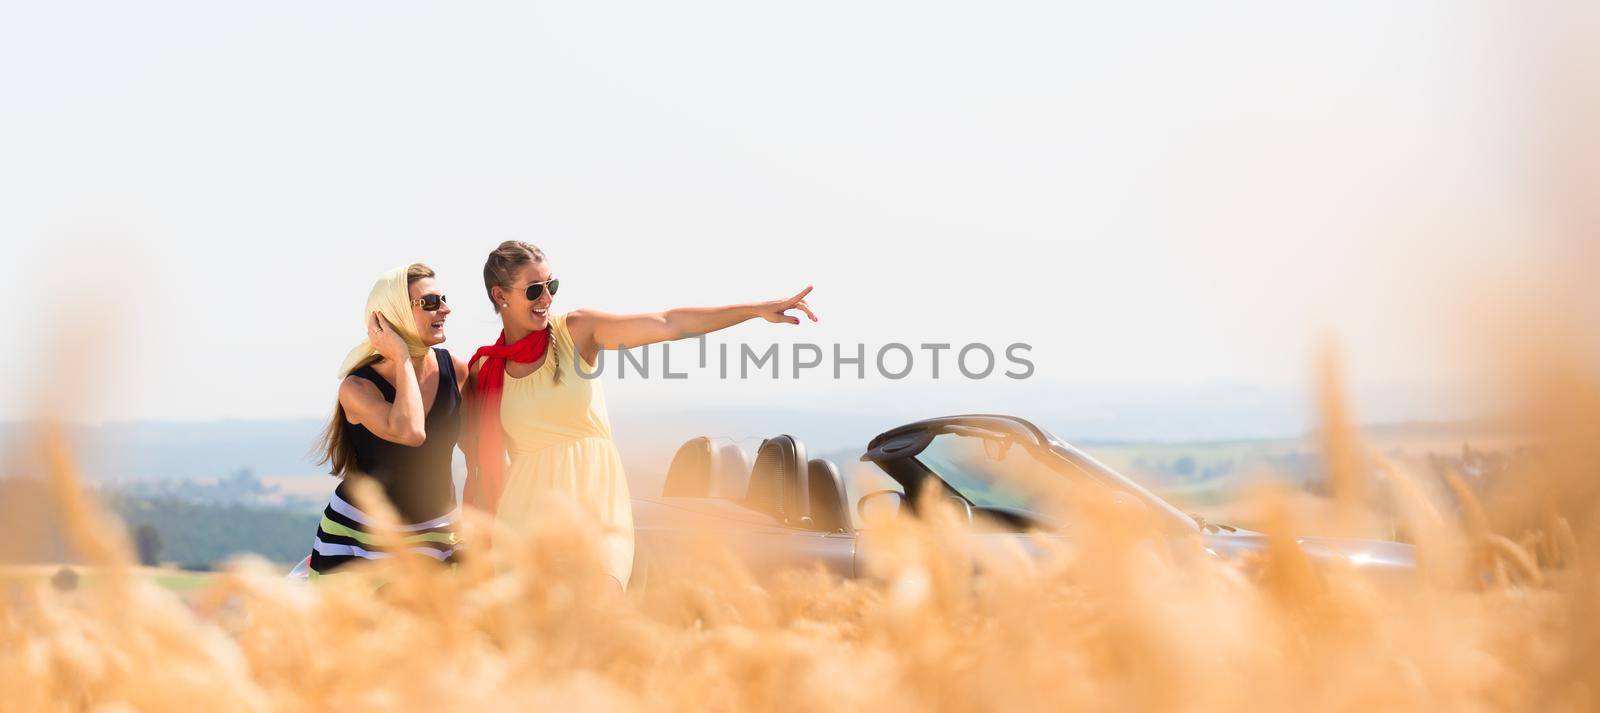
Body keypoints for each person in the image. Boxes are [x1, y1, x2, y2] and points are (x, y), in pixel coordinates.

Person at [467, 241, 816, 591]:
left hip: (597, 509)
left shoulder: (577, 331)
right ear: (500, 295)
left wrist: (755, 310)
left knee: (602, 614)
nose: (546, 299)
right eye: (533, 290)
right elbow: (479, 458)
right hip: (526, 519)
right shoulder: (486, 369)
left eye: (551, 286)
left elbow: (669, 323)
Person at [306, 263, 470, 577]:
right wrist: (403, 357)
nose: (446, 310)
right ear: (395, 314)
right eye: (431, 303)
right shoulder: (356, 389)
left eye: (443, 299)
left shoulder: (457, 371)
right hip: (356, 539)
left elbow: (479, 451)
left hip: (439, 534)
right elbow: (410, 431)